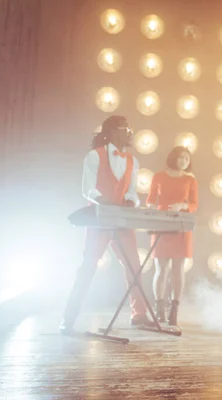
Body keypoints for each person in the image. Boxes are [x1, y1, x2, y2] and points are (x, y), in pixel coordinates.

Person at [60, 116, 152, 334]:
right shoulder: (95, 155)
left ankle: (139, 315)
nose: (130, 133)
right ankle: (68, 318)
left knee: (134, 267)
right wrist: (105, 201)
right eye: (125, 129)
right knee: (88, 266)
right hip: (100, 219)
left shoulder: (132, 160)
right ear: (112, 133)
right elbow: (87, 189)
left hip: (121, 221)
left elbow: (132, 190)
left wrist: (131, 199)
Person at [146, 146, 198, 334]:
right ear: (173, 157)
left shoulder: (190, 179)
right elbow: (150, 199)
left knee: (178, 268)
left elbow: (194, 204)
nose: (184, 160)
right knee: (161, 268)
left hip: (181, 225)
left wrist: (182, 205)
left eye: (187, 158)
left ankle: (174, 309)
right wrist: (151, 211)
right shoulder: (159, 176)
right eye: (181, 157)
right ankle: (160, 308)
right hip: (161, 223)